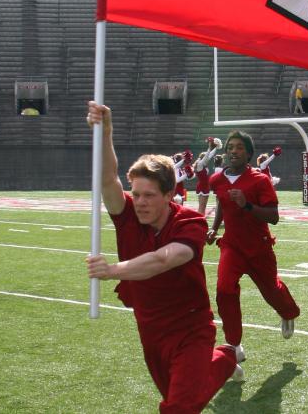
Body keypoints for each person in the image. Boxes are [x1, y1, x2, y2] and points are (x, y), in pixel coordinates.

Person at [84, 102, 241, 413]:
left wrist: (113, 270)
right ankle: (223, 359)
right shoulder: (127, 215)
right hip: (150, 328)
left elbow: (164, 259)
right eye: (136, 194)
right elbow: (106, 180)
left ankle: (220, 358)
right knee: (183, 400)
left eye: (149, 195)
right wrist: (105, 131)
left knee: (179, 408)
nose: (139, 203)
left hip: (190, 328)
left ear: (170, 195)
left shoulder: (189, 223)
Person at [207, 131, 301, 358]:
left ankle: (287, 312)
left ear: (248, 153)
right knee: (224, 289)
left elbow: (273, 216)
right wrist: (214, 226)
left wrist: (246, 205)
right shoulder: (217, 179)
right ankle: (234, 344)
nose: (233, 151)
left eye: (239, 147)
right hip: (232, 245)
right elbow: (222, 203)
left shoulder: (260, 180)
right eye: (230, 147)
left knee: (270, 290)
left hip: (258, 247)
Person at [194, 138, 223, 216]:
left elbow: (209, 156)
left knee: (203, 206)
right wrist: (210, 147)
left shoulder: (203, 164)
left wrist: (216, 147)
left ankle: (201, 220)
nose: (207, 160)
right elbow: (207, 156)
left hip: (205, 186)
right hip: (202, 187)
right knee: (202, 207)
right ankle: (200, 220)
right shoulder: (200, 165)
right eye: (205, 159)